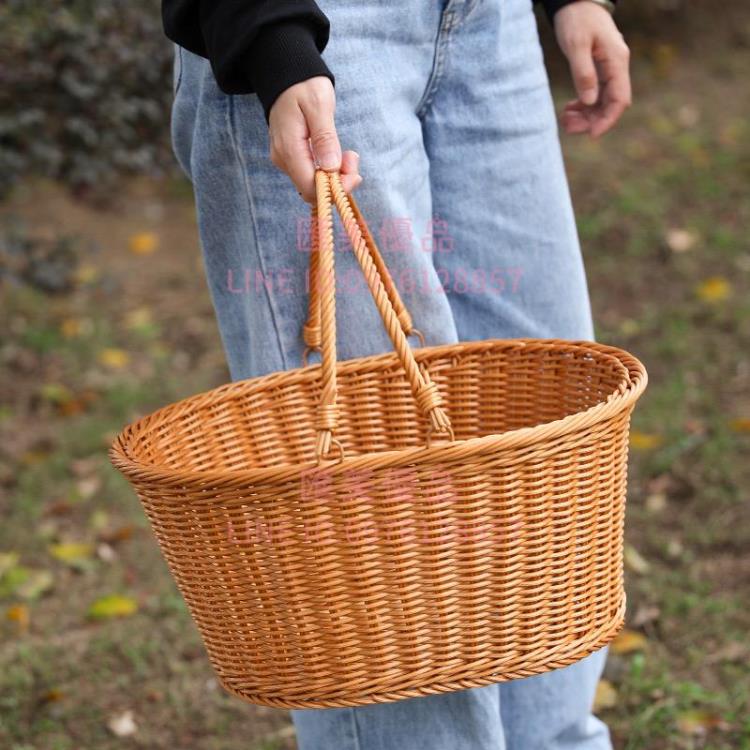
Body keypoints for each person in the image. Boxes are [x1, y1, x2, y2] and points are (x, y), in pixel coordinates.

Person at [163, 0, 631, 747]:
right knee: (372, 526)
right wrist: (271, 43)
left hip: (490, 24)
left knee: (542, 448)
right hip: (304, 35)